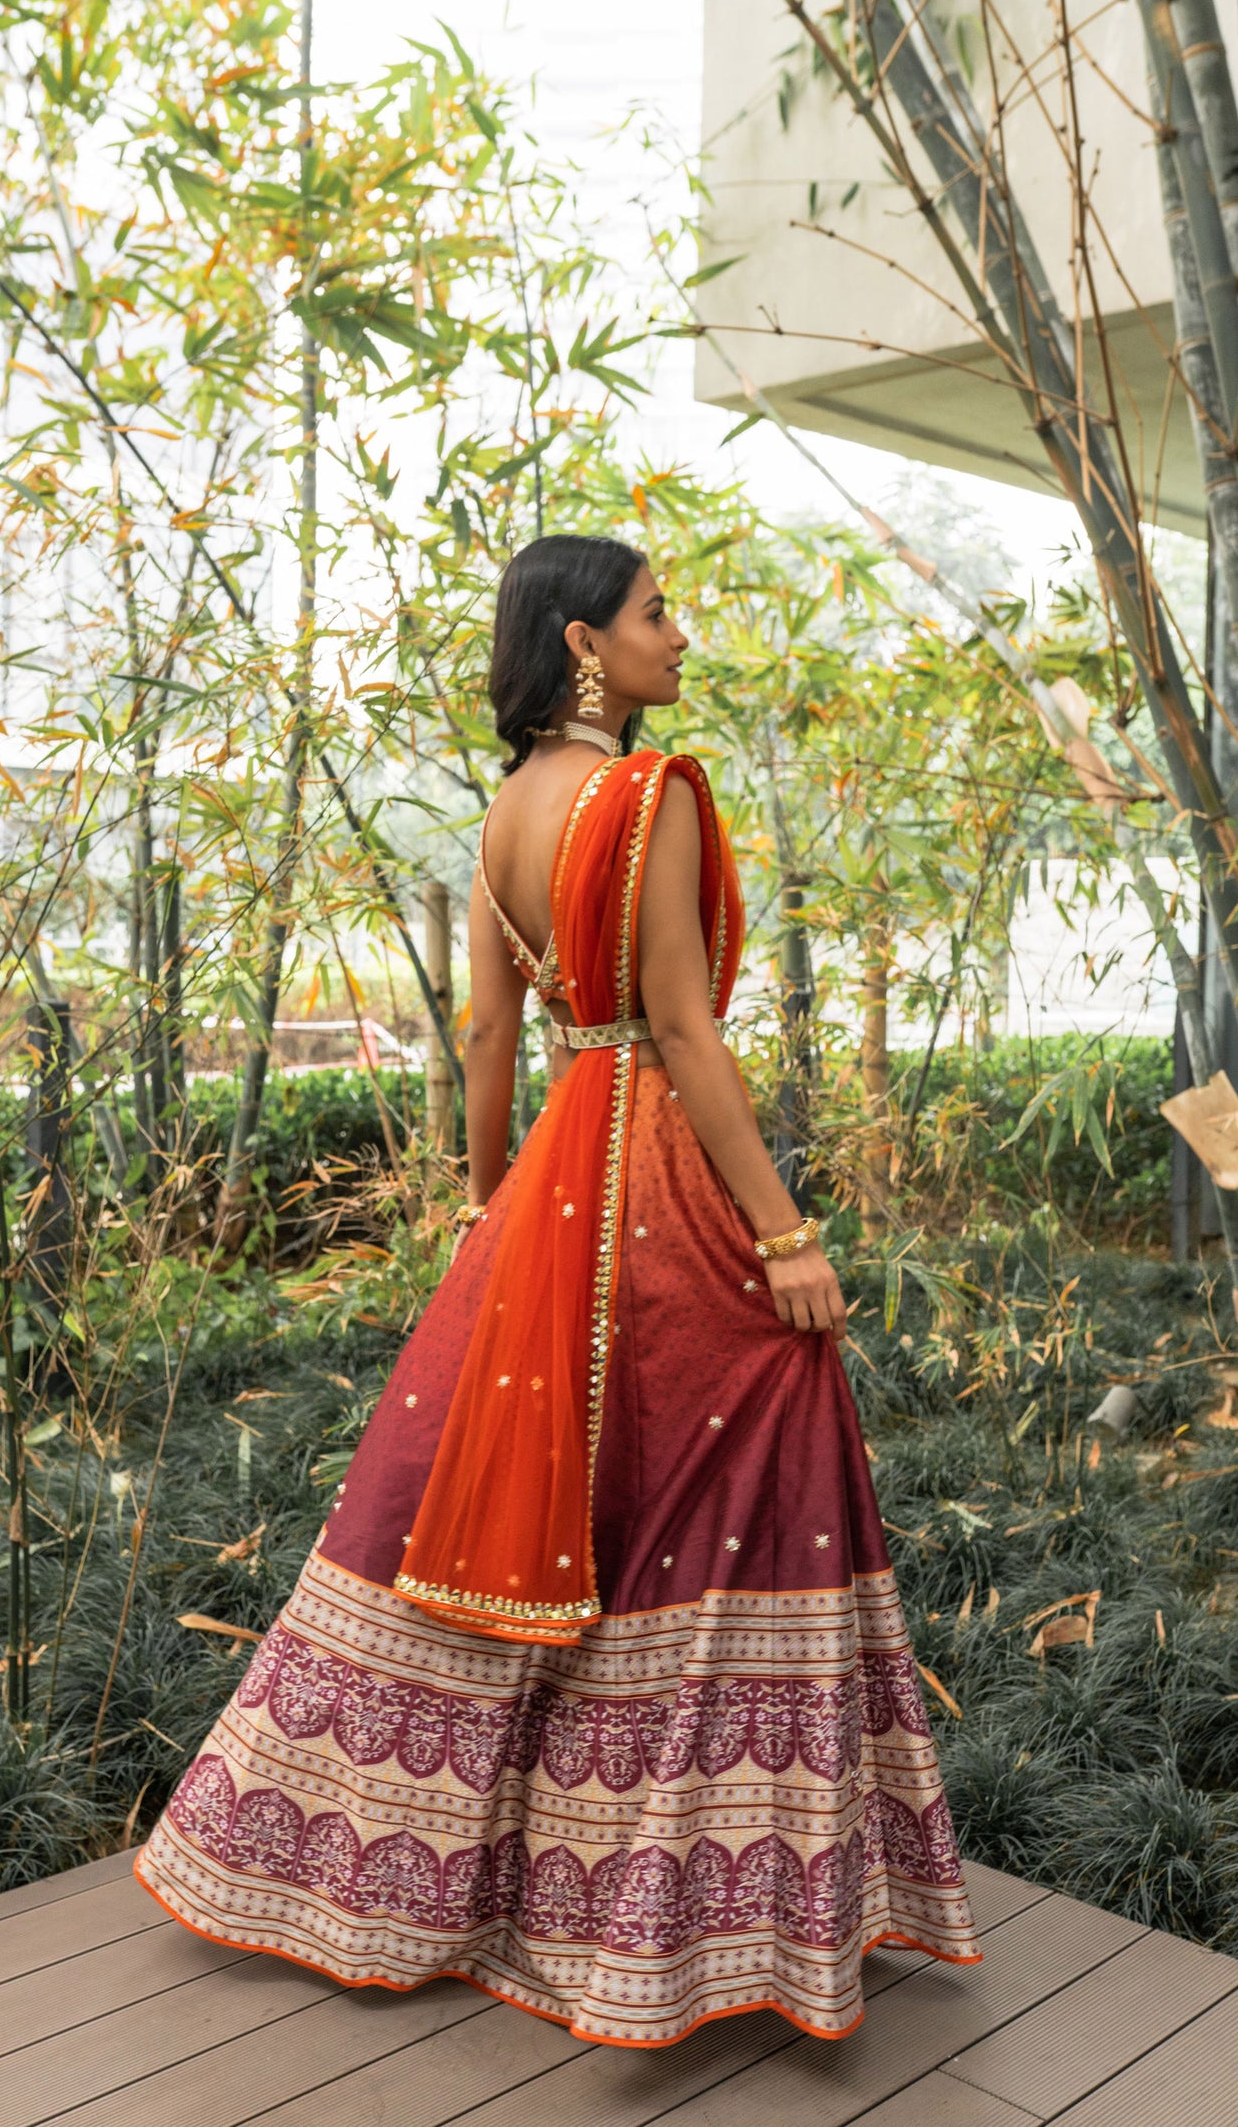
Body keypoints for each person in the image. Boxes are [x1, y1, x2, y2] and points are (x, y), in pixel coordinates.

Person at [136, 532, 980, 2047]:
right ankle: (687, 1895)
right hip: (650, 1159)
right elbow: (683, 1030)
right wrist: (783, 1233)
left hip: (547, 1185)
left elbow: (482, 1038)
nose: (678, 635)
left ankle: (455, 1870)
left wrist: (484, 1210)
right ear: (584, 643)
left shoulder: (501, 819)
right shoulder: (638, 795)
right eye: (657, 614)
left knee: (529, 1503)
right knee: (744, 1440)